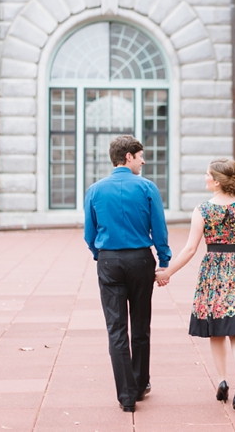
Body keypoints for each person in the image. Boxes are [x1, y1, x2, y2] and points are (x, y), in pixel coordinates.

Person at [155, 158, 235, 410]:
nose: (204, 178)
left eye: (207, 174)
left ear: (217, 181)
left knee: (215, 328)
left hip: (214, 272)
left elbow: (190, 249)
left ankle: (222, 382)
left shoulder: (203, 210)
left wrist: (166, 272)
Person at [83, 135, 171, 413]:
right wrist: (164, 260)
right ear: (128, 157)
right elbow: (159, 229)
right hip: (140, 260)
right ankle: (141, 383)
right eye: (140, 155)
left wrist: (101, 255)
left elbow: (89, 233)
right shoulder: (147, 188)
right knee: (141, 324)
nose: (143, 161)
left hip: (109, 261)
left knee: (116, 328)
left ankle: (126, 395)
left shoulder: (95, 190)